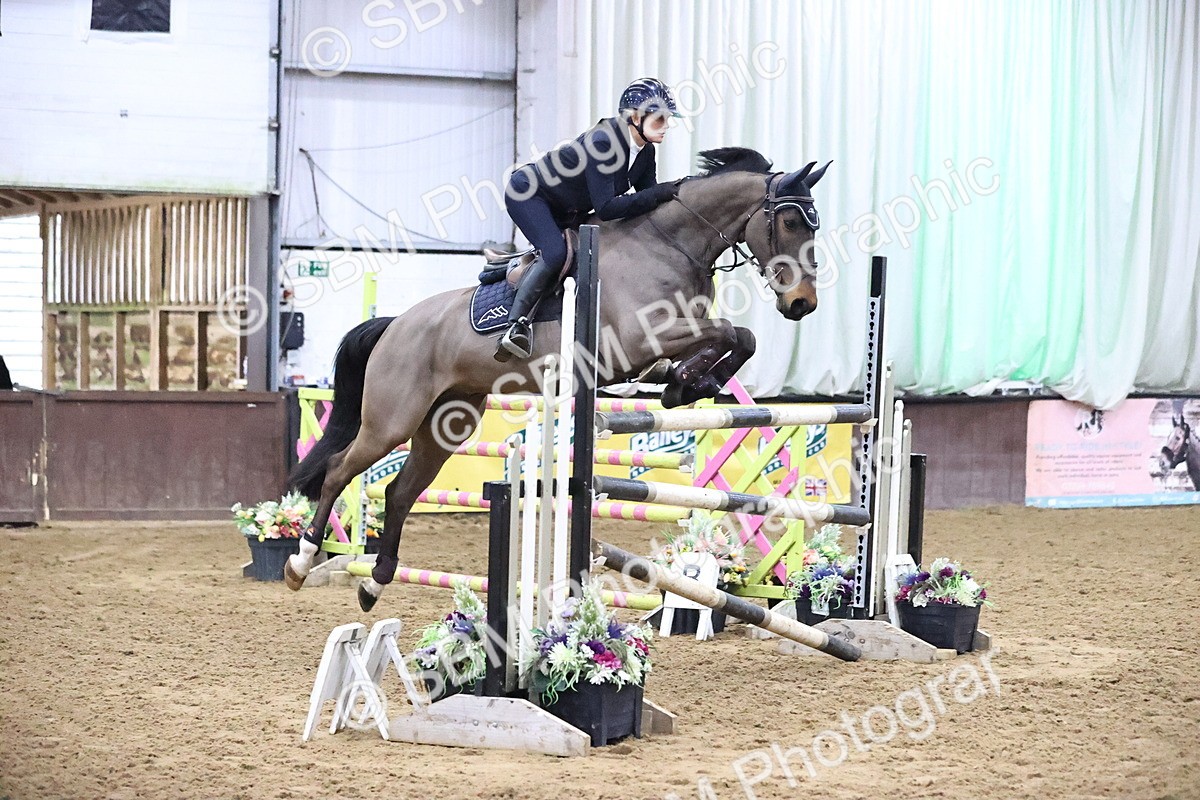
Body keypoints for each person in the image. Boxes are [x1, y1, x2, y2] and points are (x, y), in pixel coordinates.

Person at [494, 77, 683, 361]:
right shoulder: (603, 141)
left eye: (667, 119)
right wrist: (661, 192)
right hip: (529, 194)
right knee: (556, 252)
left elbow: (646, 199)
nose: (666, 126)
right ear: (634, 117)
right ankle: (515, 325)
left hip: (568, 206)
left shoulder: (646, 152)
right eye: (659, 119)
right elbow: (606, 208)